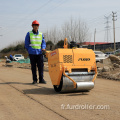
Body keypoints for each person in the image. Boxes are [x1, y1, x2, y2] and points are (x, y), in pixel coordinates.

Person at [25, 20, 46, 84]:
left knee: (41, 67)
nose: (36, 26)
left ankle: (41, 79)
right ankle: (34, 80)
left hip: (39, 53)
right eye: (35, 25)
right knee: (33, 67)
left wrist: (43, 48)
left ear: (38, 26)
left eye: (37, 25)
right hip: (32, 53)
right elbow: (26, 43)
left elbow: (43, 43)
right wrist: (29, 50)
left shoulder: (41, 34)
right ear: (32, 26)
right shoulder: (29, 33)